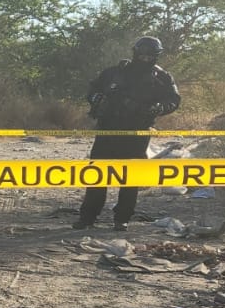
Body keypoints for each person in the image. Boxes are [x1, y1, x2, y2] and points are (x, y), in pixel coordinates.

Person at [73, 36, 181, 231]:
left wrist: (160, 107)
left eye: (149, 56)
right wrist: (95, 97)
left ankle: (122, 218)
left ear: (156, 56)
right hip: (108, 129)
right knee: (97, 174)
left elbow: (173, 99)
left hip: (137, 133)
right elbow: (93, 89)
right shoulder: (114, 73)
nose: (145, 59)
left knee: (131, 178)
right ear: (135, 53)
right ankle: (87, 218)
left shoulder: (162, 77)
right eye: (142, 55)